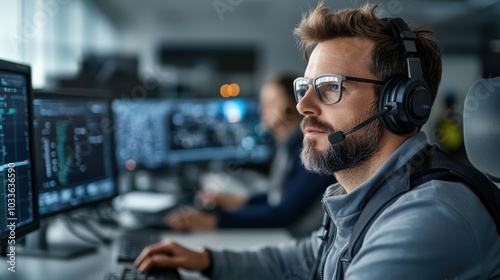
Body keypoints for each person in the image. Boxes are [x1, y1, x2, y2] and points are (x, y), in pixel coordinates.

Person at [134, 2, 500, 279]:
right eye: (304, 88)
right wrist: (209, 261)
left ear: (400, 103)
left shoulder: (428, 217)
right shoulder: (363, 193)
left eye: (329, 88)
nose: (303, 106)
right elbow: (307, 258)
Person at [165, 73, 336, 237]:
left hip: (297, 243)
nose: (262, 109)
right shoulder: (287, 146)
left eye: (270, 103)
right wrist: (236, 202)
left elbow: (283, 212)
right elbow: (278, 198)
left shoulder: (308, 150)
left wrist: (212, 221)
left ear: (293, 105)